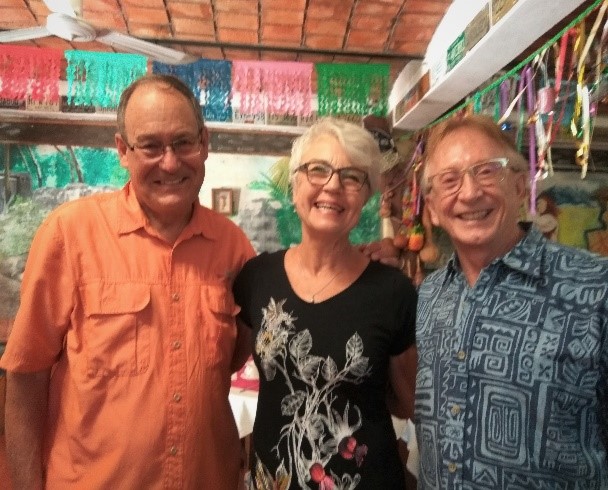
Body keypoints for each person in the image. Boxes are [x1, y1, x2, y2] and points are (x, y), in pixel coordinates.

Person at [0, 74, 256, 489]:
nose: (169, 163)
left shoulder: (234, 248)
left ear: (204, 142)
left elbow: (232, 360)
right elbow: (26, 374)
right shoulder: (70, 234)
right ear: (122, 150)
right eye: (151, 146)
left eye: (183, 142)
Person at [415, 114, 608, 488]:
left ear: (520, 186)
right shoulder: (430, 294)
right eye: (449, 180)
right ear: (433, 208)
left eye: (487, 171)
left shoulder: (596, 286)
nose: (469, 193)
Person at [233, 117, 418, 489]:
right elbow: (225, 362)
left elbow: (407, 402)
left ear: (365, 197)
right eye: (317, 169)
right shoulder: (257, 277)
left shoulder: (392, 290)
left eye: (352, 177)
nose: (333, 185)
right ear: (295, 185)